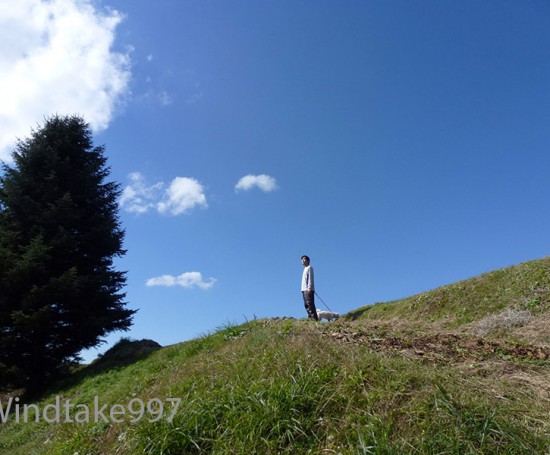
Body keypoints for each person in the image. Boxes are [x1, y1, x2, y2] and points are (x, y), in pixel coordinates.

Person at [301, 255, 318, 320]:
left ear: (308, 261)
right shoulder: (304, 269)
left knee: (310, 305)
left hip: (308, 289)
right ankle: (310, 318)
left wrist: (310, 288)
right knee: (306, 305)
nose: (302, 260)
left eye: (304, 259)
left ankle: (314, 319)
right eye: (302, 259)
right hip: (303, 289)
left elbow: (310, 278)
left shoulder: (309, 267)